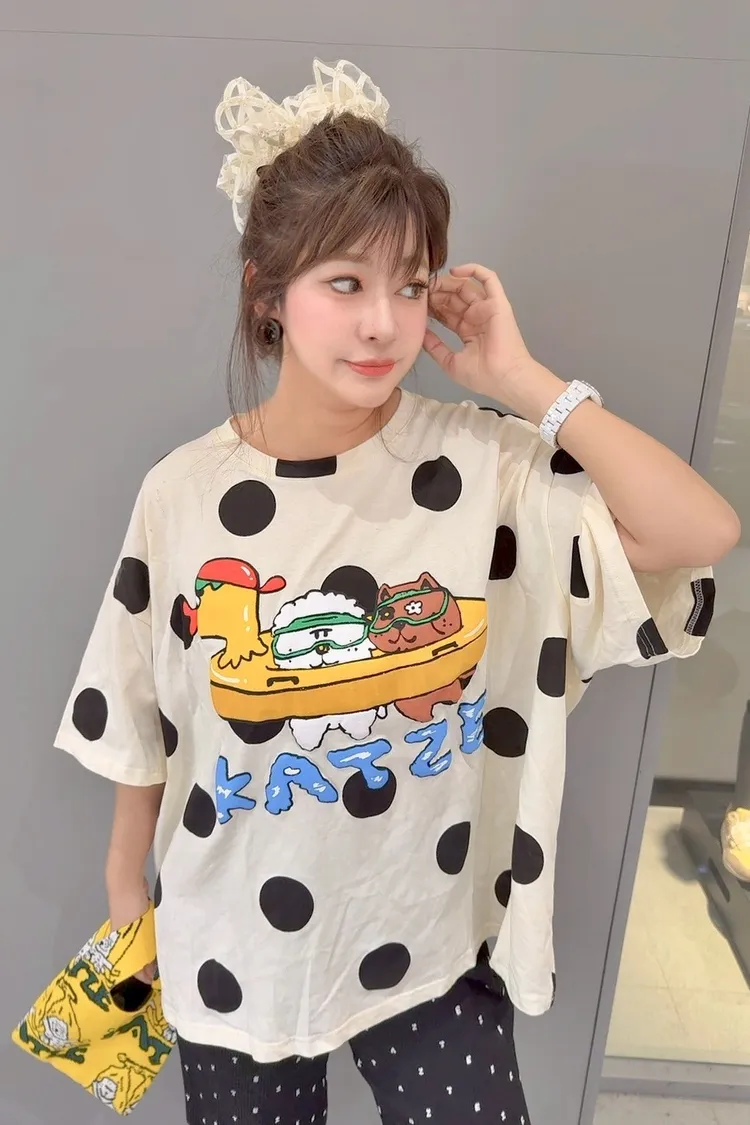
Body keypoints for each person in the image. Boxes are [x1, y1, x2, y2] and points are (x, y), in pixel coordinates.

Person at [53, 58, 740, 1125]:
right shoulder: (183, 496)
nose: (384, 324)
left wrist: (523, 383)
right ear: (267, 292)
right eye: (346, 283)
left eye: (410, 286)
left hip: (426, 930)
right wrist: (121, 894)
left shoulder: (483, 465)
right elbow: (136, 715)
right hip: (235, 949)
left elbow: (700, 531)